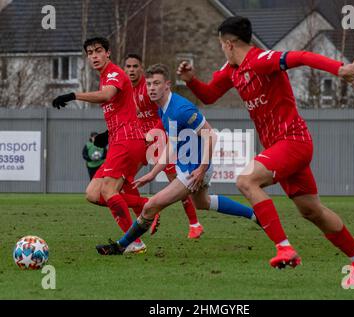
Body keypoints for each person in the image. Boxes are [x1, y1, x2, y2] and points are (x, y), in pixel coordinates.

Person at [176, 16, 354, 286]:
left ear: (229, 43)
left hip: (293, 140)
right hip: (281, 147)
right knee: (311, 210)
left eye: (221, 45)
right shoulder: (232, 69)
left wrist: (339, 69)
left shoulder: (261, 60)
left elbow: (302, 56)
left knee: (246, 180)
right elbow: (210, 95)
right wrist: (190, 80)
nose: (222, 49)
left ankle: (284, 247)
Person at [95, 63, 260, 255]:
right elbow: (172, 145)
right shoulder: (163, 109)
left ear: (167, 85)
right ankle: (255, 215)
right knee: (202, 203)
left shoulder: (180, 109)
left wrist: (201, 168)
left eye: (156, 83)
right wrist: (154, 173)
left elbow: (211, 135)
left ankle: (121, 246)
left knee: (150, 207)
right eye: (148, 84)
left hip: (193, 170)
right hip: (190, 166)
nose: (151, 88)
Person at [52, 37, 148, 254]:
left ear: (108, 53)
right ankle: (145, 205)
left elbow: (107, 95)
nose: (94, 56)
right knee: (93, 193)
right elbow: (121, 108)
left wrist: (73, 94)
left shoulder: (113, 73)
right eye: (89, 52)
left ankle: (134, 242)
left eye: (98, 51)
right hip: (119, 140)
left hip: (126, 140)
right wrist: (107, 134)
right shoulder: (105, 77)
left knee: (107, 189)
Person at [124, 54, 203, 239]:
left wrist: (154, 132)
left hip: (159, 139)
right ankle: (145, 214)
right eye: (128, 66)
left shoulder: (150, 88)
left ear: (141, 69)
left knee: (176, 181)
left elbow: (165, 115)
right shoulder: (128, 91)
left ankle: (194, 224)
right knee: (125, 178)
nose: (132, 70)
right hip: (142, 141)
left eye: (135, 66)